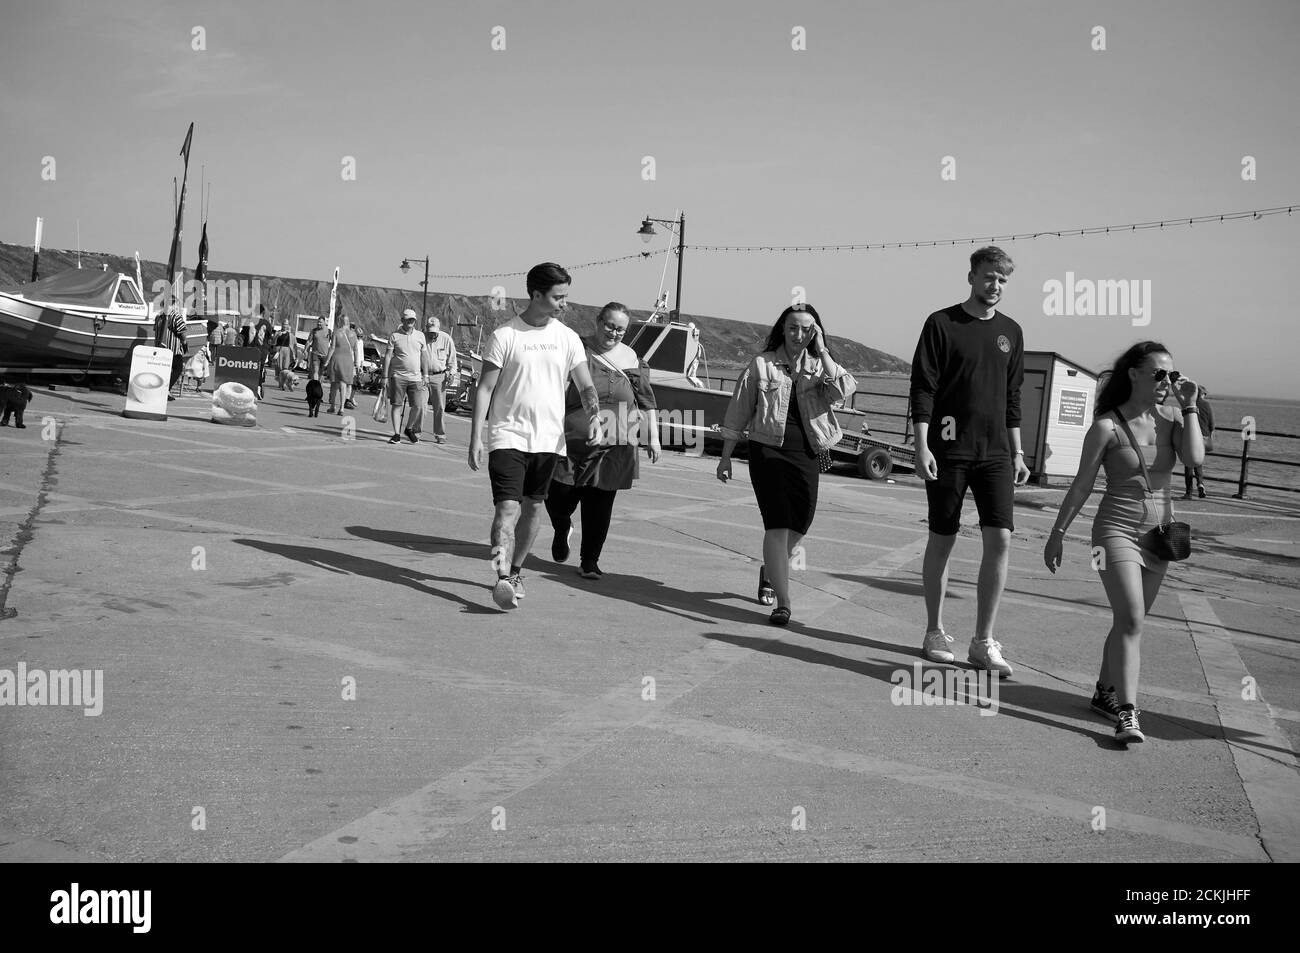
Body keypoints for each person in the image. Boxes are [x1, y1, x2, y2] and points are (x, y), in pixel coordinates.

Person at [1044, 342, 1203, 744]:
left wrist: (1190, 407)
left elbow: (1195, 459)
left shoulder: (1171, 421)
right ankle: (1127, 714)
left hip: (1160, 534)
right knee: (1131, 618)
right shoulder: (1106, 427)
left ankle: (1104, 691)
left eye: (1172, 375)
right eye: (1158, 375)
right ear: (1133, 374)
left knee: (1129, 621)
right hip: (1113, 532)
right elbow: (1081, 485)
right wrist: (1057, 534)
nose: (1167, 382)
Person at [910, 246, 1029, 676]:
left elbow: (1012, 397)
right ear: (971, 276)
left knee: (1001, 540)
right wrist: (921, 446)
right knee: (943, 538)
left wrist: (1017, 452)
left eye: (1002, 280)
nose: (994, 286)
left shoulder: (1012, 332)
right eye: (988, 277)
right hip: (949, 451)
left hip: (996, 453)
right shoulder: (941, 323)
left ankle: (983, 641)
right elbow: (923, 387)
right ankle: (935, 631)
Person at [468, 262, 602, 611]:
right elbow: (484, 388)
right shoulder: (505, 335)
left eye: (566, 296)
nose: (564, 303)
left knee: (533, 507)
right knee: (507, 508)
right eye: (558, 297)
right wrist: (476, 437)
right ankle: (500, 578)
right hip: (507, 435)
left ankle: (514, 571)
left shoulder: (567, 338)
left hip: (548, 440)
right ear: (536, 294)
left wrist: (595, 417)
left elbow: (586, 385)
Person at [717, 303, 857, 625]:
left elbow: (844, 390)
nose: (798, 334)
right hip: (767, 451)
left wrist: (822, 352)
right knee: (777, 522)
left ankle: (771, 567)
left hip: (807, 453)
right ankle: (783, 602)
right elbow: (737, 412)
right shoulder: (761, 365)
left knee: (801, 523)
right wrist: (725, 458)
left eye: (807, 329)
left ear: (815, 333)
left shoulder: (819, 365)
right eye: (793, 327)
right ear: (783, 328)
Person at [546, 303, 662, 578]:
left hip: (617, 442)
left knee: (600, 503)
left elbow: (647, 402)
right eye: (610, 325)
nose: (614, 333)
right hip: (572, 441)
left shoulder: (633, 359)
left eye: (620, 329)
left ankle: (590, 562)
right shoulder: (578, 349)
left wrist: (653, 438)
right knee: (558, 495)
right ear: (598, 321)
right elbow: (555, 389)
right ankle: (562, 526)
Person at [382, 309, 430, 444]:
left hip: (416, 377)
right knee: (396, 405)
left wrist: (425, 375)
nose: (410, 322)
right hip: (398, 376)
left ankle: (409, 428)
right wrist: (384, 376)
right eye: (408, 319)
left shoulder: (420, 336)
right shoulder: (394, 336)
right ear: (402, 320)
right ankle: (396, 434)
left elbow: (424, 356)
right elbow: (387, 356)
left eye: (412, 320)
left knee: (418, 406)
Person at [424, 316, 460, 444]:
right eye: (430, 332)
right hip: (423, 375)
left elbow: (453, 361)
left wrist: (451, 373)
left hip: (440, 377)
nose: (432, 334)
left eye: (434, 332)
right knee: (420, 406)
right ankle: (415, 432)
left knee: (439, 407)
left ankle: (440, 434)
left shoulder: (446, 339)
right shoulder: (421, 338)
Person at [1183, 386, 1215, 499]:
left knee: (1188, 463)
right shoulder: (1207, 405)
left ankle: (1189, 492)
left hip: (1191, 435)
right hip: (1204, 437)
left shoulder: (1189, 404)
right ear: (1202, 394)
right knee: (1198, 461)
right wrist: (1210, 436)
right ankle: (1200, 484)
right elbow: (1212, 424)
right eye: (1204, 394)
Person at [155, 304, 189, 399]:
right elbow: (182, 332)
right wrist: (184, 343)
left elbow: (156, 331)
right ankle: (166, 389)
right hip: (173, 349)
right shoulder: (175, 316)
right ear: (173, 304)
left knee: (163, 370)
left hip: (160, 348)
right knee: (177, 369)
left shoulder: (158, 317)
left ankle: (161, 389)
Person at [326, 314, 358, 414]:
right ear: (348, 322)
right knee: (344, 384)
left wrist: (327, 360)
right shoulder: (353, 334)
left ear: (340, 321)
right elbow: (356, 350)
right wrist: (356, 362)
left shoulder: (337, 332)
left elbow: (332, 348)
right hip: (348, 360)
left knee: (334, 383)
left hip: (337, 358)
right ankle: (342, 408)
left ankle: (332, 406)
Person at [274, 325, 297, 390]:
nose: (285, 326)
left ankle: (284, 383)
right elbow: (273, 342)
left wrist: (294, 354)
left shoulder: (290, 335)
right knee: (279, 367)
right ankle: (280, 382)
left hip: (287, 351)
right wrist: (277, 336)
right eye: (284, 324)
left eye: (286, 324)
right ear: (282, 325)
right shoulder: (277, 333)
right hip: (279, 350)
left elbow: (294, 345)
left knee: (285, 368)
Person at [308, 317, 331, 382]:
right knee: (315, 370)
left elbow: (333, 344)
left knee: (321, 373)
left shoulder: (329, 332)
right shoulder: (314, 331)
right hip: (315, 354)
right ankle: (315, 385)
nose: (319, 323)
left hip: (325, 355)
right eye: (318, 322)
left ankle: (319, 383)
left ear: (324, 322)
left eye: (320, 322)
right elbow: (308, 341)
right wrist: (305, 350)